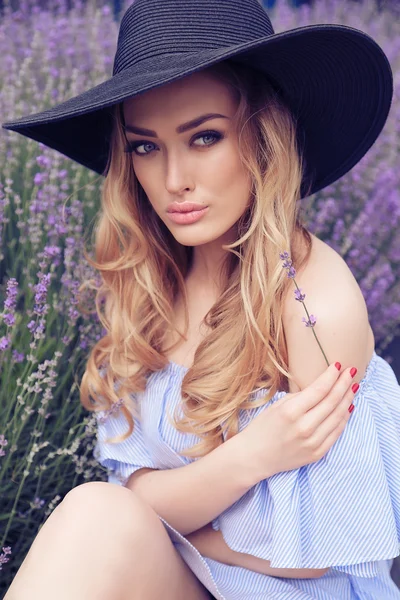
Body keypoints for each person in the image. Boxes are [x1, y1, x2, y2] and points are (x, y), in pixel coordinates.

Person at [3, 0, 400, 598]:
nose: (173, 180)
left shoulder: (314, 303)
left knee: (100, 516)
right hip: (176, 578)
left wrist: (158, 510)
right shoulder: (148, 281)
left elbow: (318, 554)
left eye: (205, 137)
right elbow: (128, 489)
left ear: (265, 137)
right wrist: (250, 460)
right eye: (145, 147)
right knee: (98, 512)